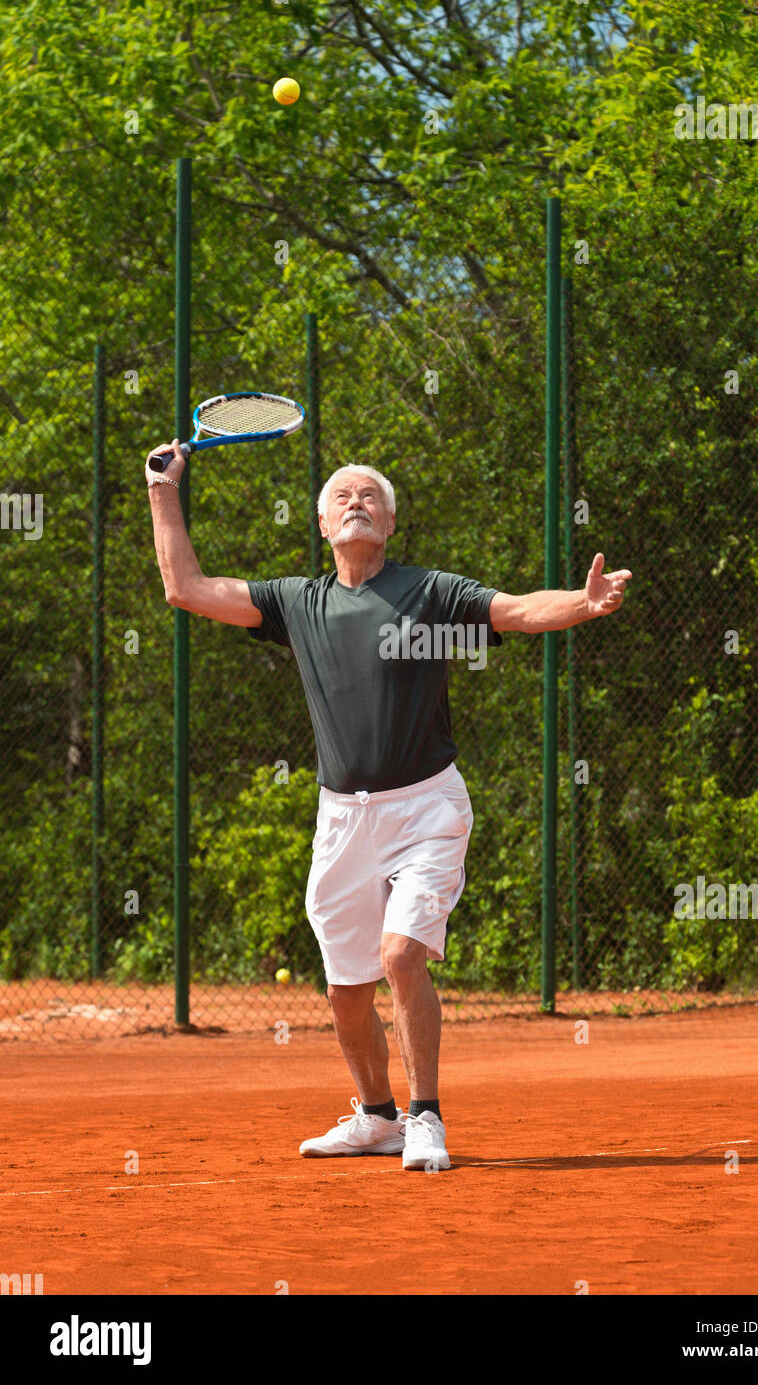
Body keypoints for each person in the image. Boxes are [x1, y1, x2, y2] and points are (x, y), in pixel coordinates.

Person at [146, 443, 632, 1171]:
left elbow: (519, 610)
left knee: (400, 955)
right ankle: (376, 1118)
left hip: (425, 808)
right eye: (341, 495)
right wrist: (161, 491)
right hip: (342, 820)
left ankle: (425, 1116)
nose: (354, 502)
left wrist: (583, 604)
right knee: (347, 993)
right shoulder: (295, 602)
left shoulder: (430, 594)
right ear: (320, 522)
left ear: (390, 522)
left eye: (368, 495)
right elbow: (186, 587)